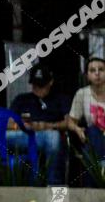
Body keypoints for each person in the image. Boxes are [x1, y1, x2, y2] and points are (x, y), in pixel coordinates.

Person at [6, 64, 71, 185]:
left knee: (53, 137)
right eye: (35, 85)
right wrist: (22, 126)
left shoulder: (61, 99)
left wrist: (46, 126)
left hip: (49, 136)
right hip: (23, 136)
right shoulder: (21, 99)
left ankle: (55, 191)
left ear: (50, 82)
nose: (38, 89)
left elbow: (69, 122)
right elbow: (7, 123)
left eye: (41, 85)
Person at [66, 57, 105, 185]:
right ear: (87, 75)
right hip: (95, 139)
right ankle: (93, 194)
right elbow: (70, 121)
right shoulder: (82, 94)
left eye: (101, 70)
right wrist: (77, 129)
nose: (97, 73)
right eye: (93, 70)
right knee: (93, 131)